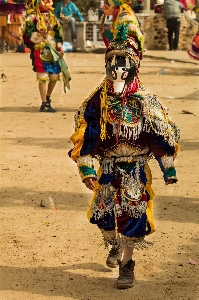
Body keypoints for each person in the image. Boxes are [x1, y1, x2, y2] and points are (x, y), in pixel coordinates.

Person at [69, 0, 180, 290]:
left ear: (134, 65)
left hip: (135, 171)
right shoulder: (98, 100)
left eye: (123, 62)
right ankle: (113, 244)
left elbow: (159, 135)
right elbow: (86, 134)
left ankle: (127, 266)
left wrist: (167, 167)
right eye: (112, 62)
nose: (117, 68)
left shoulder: (145, 100)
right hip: (107, 168)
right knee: (105, 218)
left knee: (132, 213)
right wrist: (86, 169)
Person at [22, 0, 65, 112]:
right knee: (43, 76)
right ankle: (44, 103)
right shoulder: (32, 18)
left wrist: (60, 48)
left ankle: (47, 98)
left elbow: (58, 35)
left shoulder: (53, 17)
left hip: (53, 51)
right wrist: (42, 36)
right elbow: (27, 36)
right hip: (40, 51)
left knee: (54, 76)